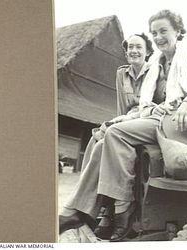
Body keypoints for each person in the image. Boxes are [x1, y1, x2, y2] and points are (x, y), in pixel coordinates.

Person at [61, 9, 187, 242]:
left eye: (164, 31)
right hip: (159, 119)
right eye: (154, 33)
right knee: (102, 141)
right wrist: (137, 114)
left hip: (182, 123)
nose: (158, 37)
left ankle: (121, 210)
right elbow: (148, 105)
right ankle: (82, 209)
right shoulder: (155, 64)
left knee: (116, 133)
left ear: (178, 31)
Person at [59, 33, 154, 237]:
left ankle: (103, 210)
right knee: (98, 142)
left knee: (109, 139)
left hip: (145, 121)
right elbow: (121, 108)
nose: (134, 51)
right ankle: (99, 211)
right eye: (130, 47)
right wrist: (114, 123)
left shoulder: (156, 71)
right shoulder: (122, 74)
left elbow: (156, 107)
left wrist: (124, 123)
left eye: (139, 47)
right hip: (125, 124)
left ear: (148, 51)